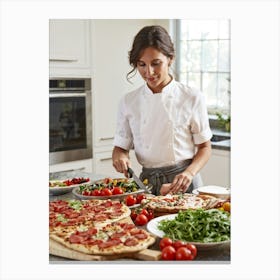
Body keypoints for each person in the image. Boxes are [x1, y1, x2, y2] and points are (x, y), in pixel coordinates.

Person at [112, 25, 212, 196]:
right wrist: (120, 157)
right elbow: (120, 148)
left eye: (156, 63)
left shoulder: (191, 97)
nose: (148, 72)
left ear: (170, 59)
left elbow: (205, 147)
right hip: (145, 183)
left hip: (183, 183)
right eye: (141, 64)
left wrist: (189, 173)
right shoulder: (128, 101)